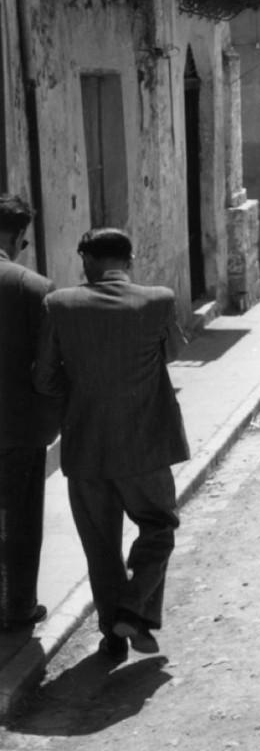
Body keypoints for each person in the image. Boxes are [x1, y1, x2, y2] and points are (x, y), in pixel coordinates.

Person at [33, 228, 189, 662]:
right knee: (158, 526)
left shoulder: (59, 305)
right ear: (130, 259)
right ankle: (134, 609)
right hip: (146, 444)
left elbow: (44, 379)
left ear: (86, 261)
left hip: (86, 446)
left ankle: (113, 635)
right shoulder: (158, 299)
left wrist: (83, 392)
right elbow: (173, 354)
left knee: (100, 545)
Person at [0, 194, 60, 631]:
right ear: (19, 236)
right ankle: (18, 605)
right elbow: (47, 369)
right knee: (20, 519)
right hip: (17, 426)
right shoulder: (33, 287)